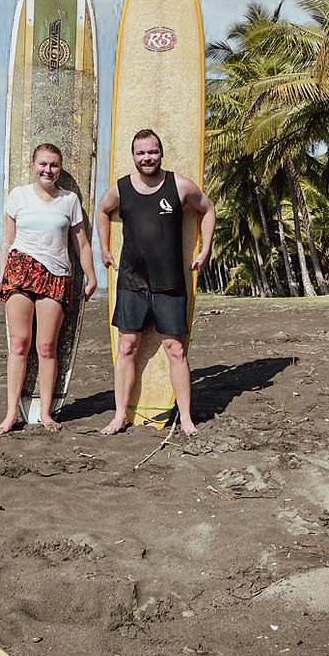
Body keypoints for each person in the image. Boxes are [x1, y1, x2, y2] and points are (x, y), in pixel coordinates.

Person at [96, 128, 215, 437]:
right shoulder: (122, 188)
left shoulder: (180, 185)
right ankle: (120, 415)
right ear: (133, 156)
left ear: (161, 153)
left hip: (170, 283)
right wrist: (105, 248)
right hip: (131, 282)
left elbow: (208, 208)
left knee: (175, 350)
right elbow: (102, 211)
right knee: (127, 347)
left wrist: (205, 249)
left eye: (152, 151)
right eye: (141, 153)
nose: (147, 157)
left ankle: (186, 418)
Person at [0, 143, 97, 434]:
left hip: (56, 275)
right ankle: (11, 414)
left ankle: (47, 414)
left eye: (53, 165)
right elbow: (7, 240)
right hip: (20, 271)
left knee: (47, 347)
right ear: (33, 165)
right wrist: (2, 277)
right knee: (19, 344)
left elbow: (81, 244)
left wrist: (91, 277)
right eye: (43, 164)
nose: (48, 170)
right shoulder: (18, 196)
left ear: (60, 168)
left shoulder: (70, 200)